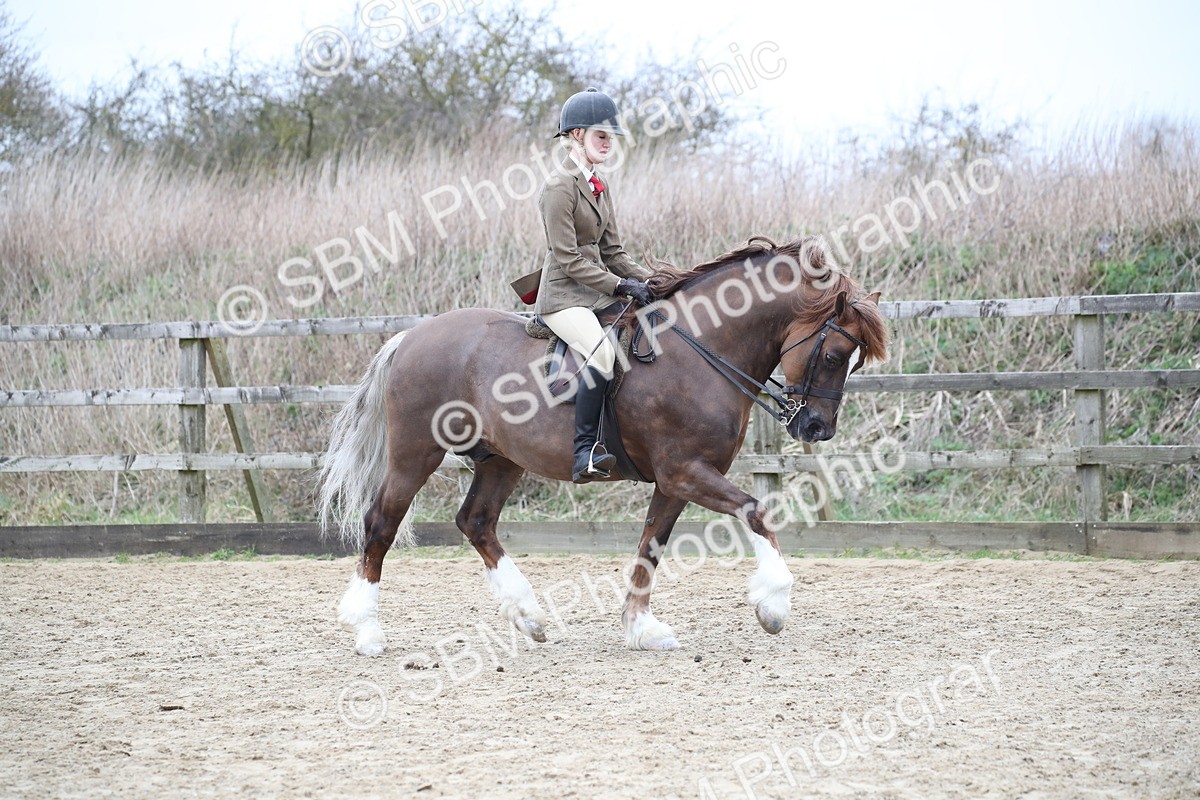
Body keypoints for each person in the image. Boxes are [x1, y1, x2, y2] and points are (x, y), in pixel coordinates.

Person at [533, 87, 654, 483]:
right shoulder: (558, 186)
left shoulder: (598, 184)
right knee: (603, 354)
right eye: (601, 135)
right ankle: (584, 452)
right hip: (564, 297)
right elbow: (568, 259)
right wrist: (621, 287)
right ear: (577, 135)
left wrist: (653, 282)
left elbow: (614, 251)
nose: (608, 143)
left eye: (611, 137)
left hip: (595, 291)